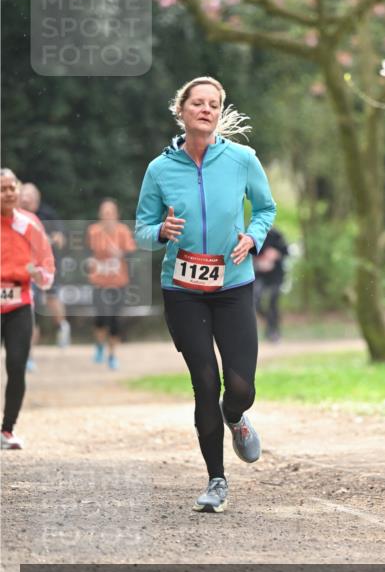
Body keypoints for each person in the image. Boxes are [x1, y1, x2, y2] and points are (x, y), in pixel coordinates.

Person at [135, 76, 276, 514]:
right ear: (182, 110)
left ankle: (234, 417)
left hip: (233, 285)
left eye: (213, 104)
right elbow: (141, 230)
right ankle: (216, 480)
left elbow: (266, 208)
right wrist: (161, 230)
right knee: (203, 382)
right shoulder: (160, 170)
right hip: (182, 290)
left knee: (239, 385)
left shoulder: (241, 159)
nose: (206, 109)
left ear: (219, 112)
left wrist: (252, 237)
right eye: (198, 103)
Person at [1, 169, 55, 449]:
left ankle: (7, 430)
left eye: (12, 187)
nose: (9, 193)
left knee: (16, 366)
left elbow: (47, 263)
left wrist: (41, 277)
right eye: (3, 189)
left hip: (19, 303)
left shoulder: (29, 223)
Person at [19, 182, 71, 350]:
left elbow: (62, 239)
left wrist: (53, 240)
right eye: (23, 197)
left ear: (37, 200)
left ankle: (62, 326)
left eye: (29, 197)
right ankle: (28, 353)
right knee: (30, 308)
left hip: (46, 265)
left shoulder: (48, 214)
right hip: (25, 268)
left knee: (52, 297)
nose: (25, 200)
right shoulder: (14, 216)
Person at [86, 199, 137, 369]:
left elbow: (132, 252)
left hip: (118, 282)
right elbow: (87, 253)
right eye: (104, 213)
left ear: (117, 215)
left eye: (111, 213)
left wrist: (121, 253)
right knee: (101, 318)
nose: (107, 216)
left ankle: (112, 355)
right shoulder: (93, 231)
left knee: (115, 319)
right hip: (99, 282)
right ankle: (100, 345)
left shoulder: (123, 231)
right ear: (100, 215)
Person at [254, 226, 289, 341]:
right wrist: (259, 261)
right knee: (255, 302)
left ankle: (273, 332)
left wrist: (276, 254)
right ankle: (269, 321)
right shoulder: (253, 234)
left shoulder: (277, 235)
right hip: (260, 276)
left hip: (276, 276)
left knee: (273, 302)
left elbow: (286, 252)